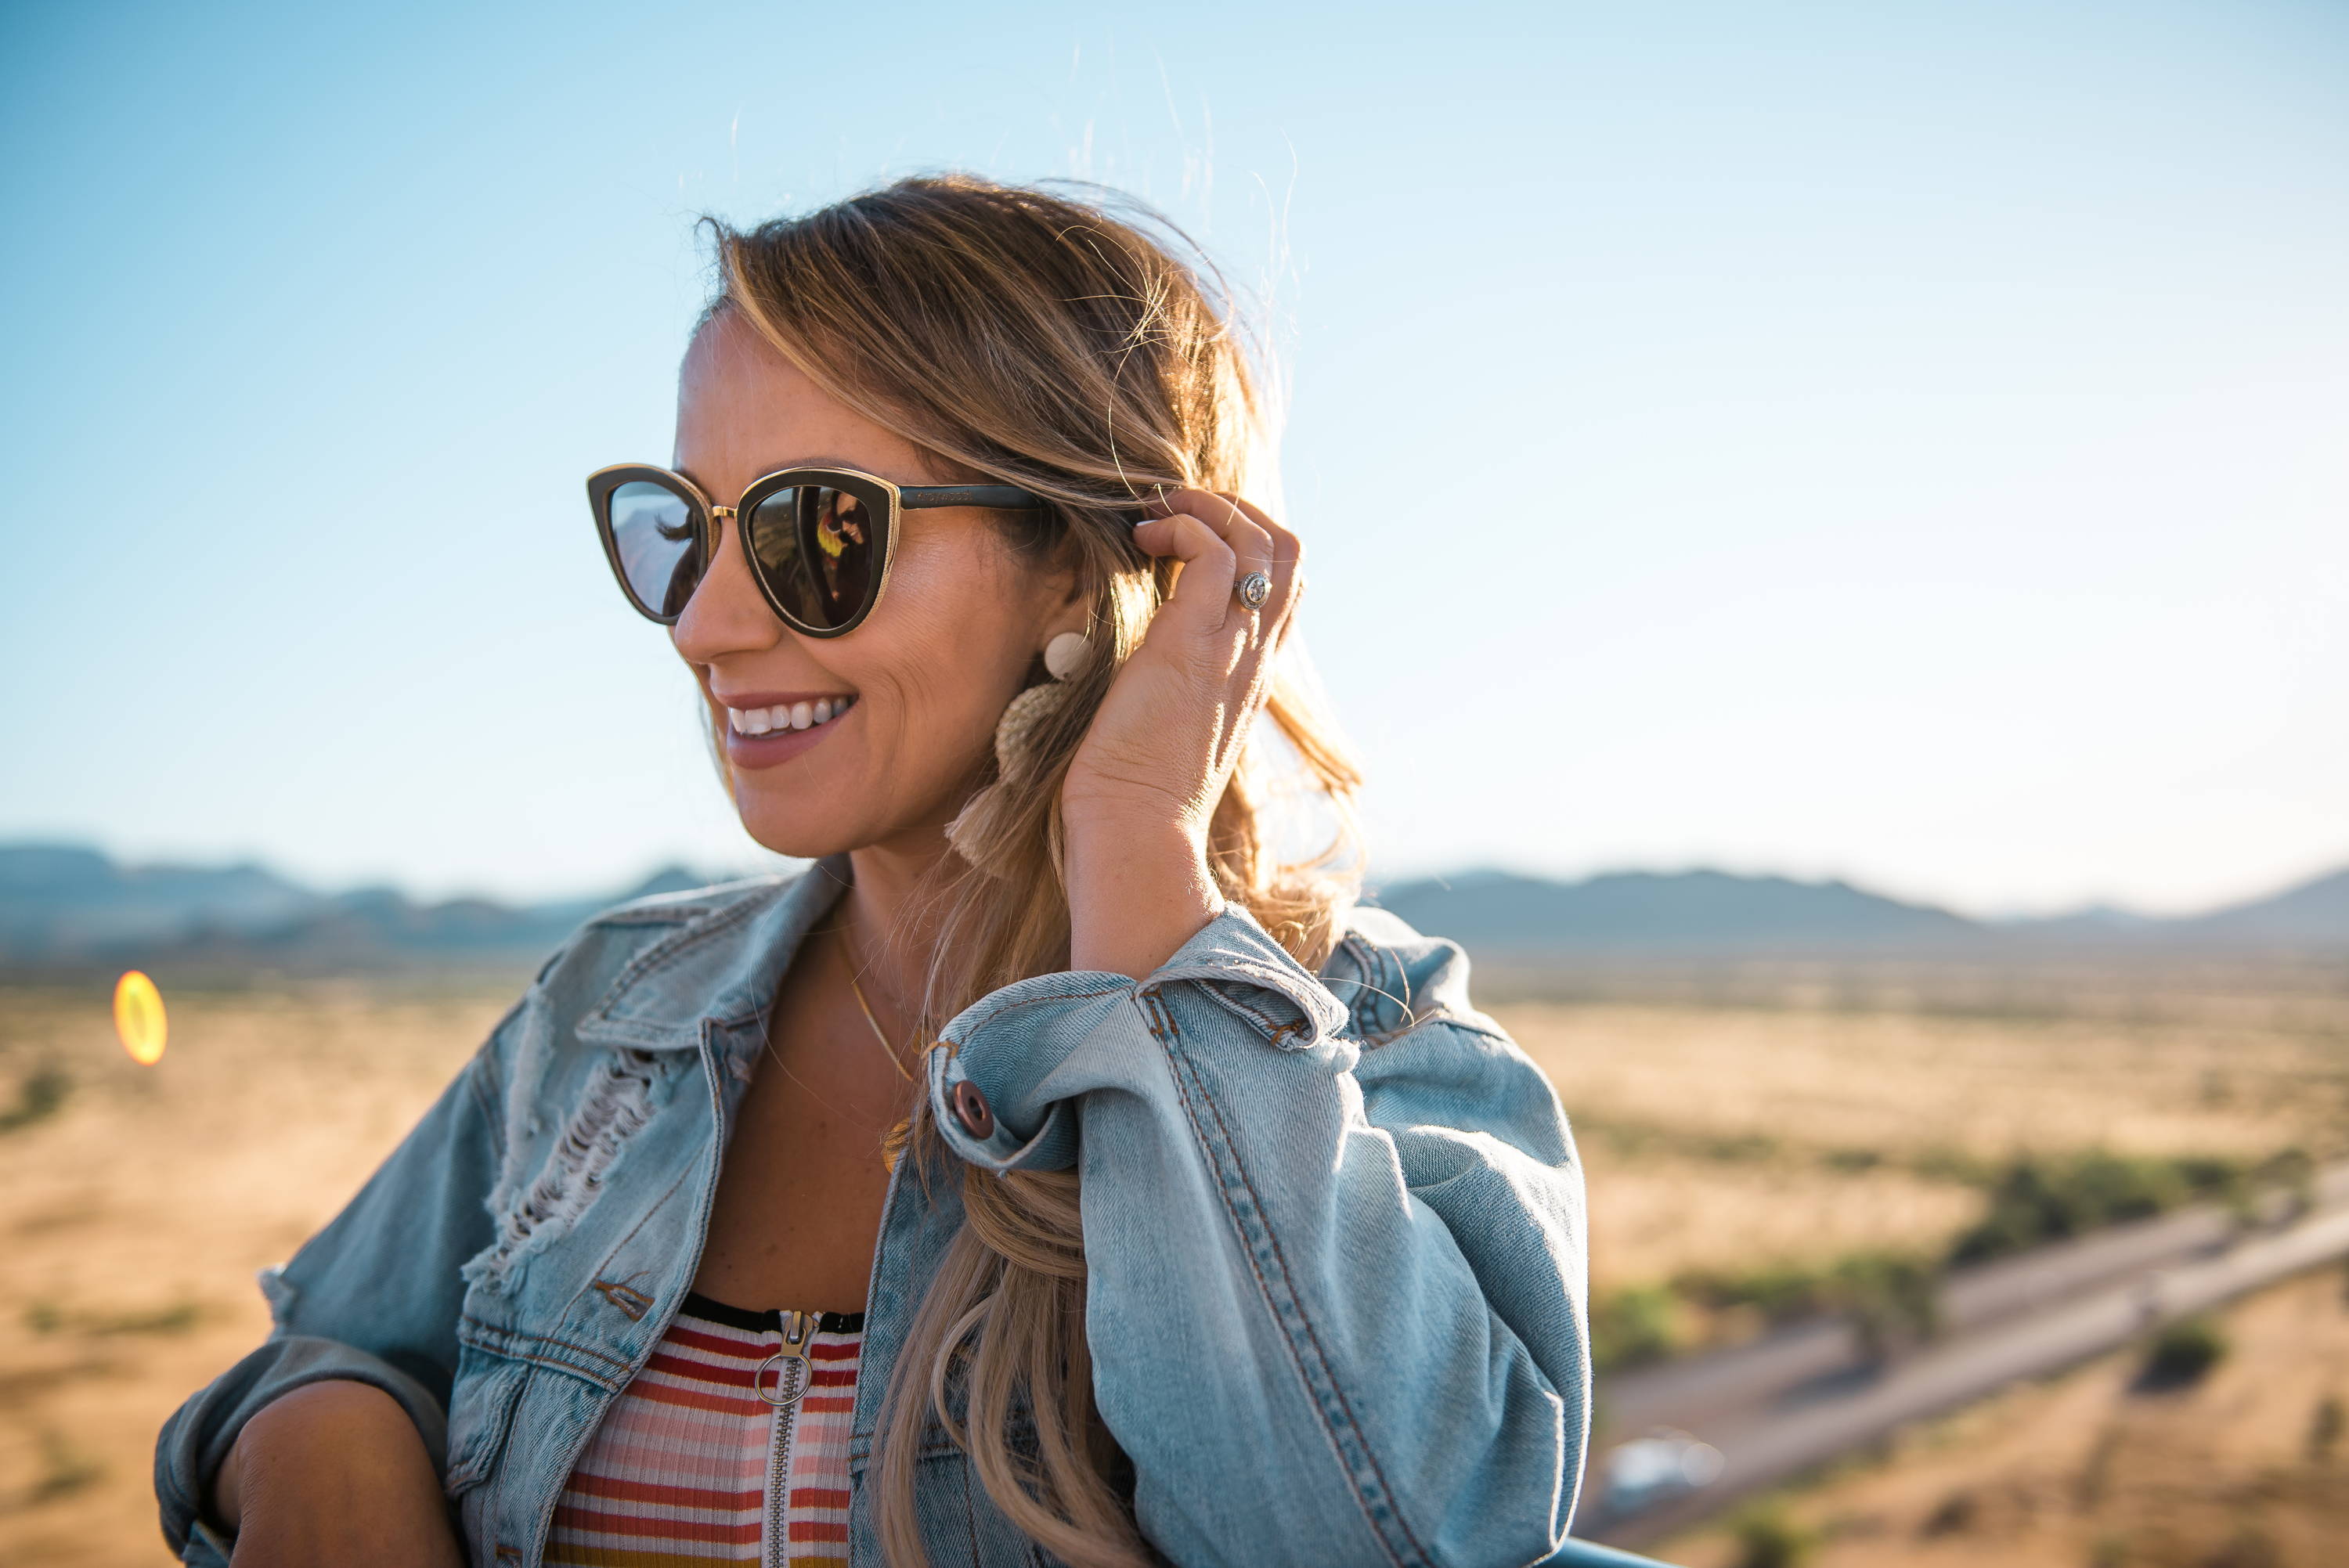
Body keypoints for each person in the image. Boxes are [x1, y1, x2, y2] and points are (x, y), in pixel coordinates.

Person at [154, 175, 1595, 1568]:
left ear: (1094, 557)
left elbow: (1381, 1534)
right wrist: (321, 1438)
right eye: (681, 531)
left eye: (817, 530)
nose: (704, 627)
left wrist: (1140, 845)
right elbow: (328, 1346)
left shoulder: (1372, 1046)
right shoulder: (609, 1009)